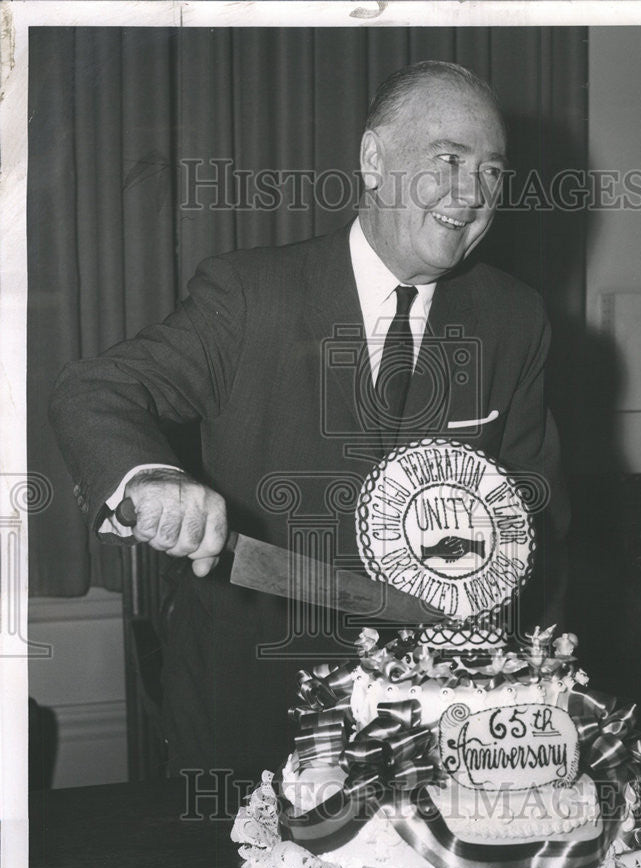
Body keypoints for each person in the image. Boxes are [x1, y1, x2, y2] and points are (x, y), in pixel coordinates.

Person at [49, 61, 569, 776]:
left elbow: (537, 505)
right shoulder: (249, 293)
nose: (471, 193)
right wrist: (155, 478)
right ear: (373, 160)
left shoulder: (514, 318)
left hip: (435, 729)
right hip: (253, 717)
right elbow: (96, 390)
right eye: (448, 160)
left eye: (491, 172)